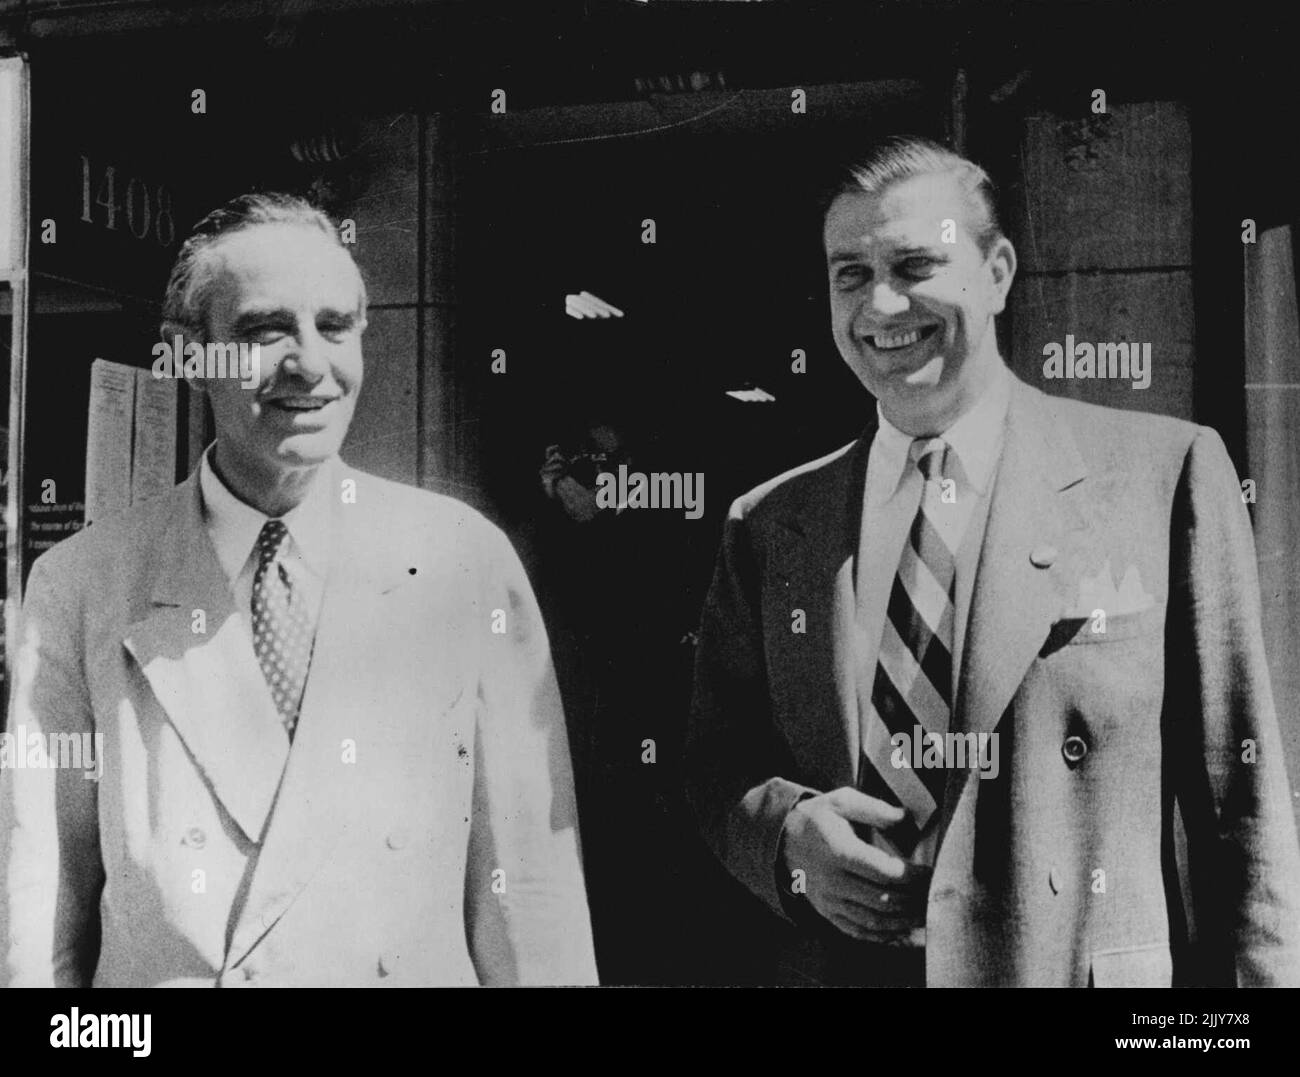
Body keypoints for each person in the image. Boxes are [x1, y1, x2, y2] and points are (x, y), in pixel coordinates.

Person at [685, 137, 1300, 986]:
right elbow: (714, 767)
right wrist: (787, 838)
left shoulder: (1163, 477)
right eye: (850, 274)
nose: (883, 304)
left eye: (915, 263)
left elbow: (1244, 809)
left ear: (999, 271)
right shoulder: (769, 524)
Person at [0, 193, 598, 987]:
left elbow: (531, 893)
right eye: (264, 329)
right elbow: (43, 906)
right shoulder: (80, 585)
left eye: (336, 326)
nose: (310, 363)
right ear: (185, 355)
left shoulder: (462, 564)